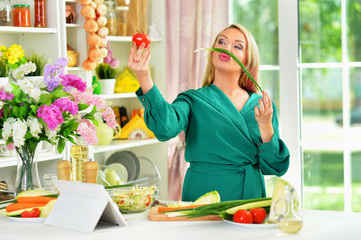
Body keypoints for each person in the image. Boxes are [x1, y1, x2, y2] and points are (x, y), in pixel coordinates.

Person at [127, 23, 290, 202]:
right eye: (221, 42)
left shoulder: (263, 108)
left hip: (248, 198)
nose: (226, 48)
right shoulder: (193, 100)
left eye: (237, 46)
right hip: (202, 194)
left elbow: (276, 167)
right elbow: (165, 127)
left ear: (246, 60)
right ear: (212, 52)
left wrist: (266, 125)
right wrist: (144, 76)